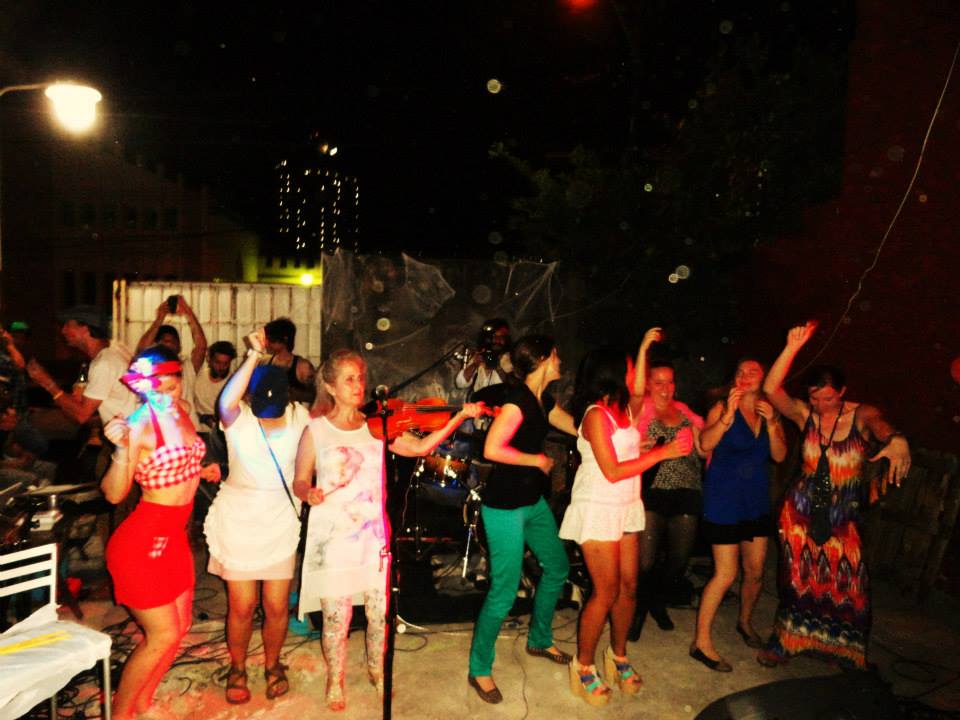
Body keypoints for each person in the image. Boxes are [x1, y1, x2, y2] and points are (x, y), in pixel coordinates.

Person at [294, 349, 484, 711]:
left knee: (379, 614)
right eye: (349, 379)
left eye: (360, 378)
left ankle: (377, 669)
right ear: (330, 387)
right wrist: (308, 493)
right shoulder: (315, 430)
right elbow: (300, 480)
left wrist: (459, 416)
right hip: (332, 540)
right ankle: (335, 679)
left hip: (372, 537)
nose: (358, 385)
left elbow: (422, 446)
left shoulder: (376, 426)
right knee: (336, 618)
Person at [757, 321, 911, 669]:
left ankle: (845, 650)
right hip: (800, 511)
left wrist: (896, 438)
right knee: (797, 580)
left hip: (842, 515)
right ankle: (787, 642)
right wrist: (792, 348)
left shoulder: (861, 414)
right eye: (815, 398)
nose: (821, 404)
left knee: (849, 581)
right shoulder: (805, 415)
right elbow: (771, 388)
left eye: (828, 398)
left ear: (842, 392)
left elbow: (881, 425)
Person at [560, 347, 693, 705]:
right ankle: (583, 665)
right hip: (598, 508)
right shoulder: (595, 415)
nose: (638, 377)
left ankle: (618, 656)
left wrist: (644, 449)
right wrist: (662, 453)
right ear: (613, 374)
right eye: (632, 369)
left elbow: (624, 452)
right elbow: (612, 470)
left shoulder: (624, 411)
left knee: (629, 588)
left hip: (626, 505)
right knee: (605, 592)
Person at [99, 346, 219, 720]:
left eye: (173, 384)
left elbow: (176, 463)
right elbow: (113, 494)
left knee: (181, 627)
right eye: (158, 388)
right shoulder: (138, 425)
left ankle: (144, 702)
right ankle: (119, 715)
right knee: (163, 634)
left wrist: (200, 470)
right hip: (141, 542)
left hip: (174, 537)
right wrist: (122, 450)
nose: (167, 394)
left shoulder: (181, 410)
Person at [467, 334, 577, 705]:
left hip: (532, 502)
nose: (560, 362)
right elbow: (492, 448)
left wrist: (616, 435)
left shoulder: (542, 400)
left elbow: (578, 426)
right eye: (556, 356)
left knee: (557, 567)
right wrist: (537, 460)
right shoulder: (517, 402)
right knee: (503, 591)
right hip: (504, 508)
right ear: (544, 359)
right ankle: (479, 668)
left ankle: (540, 639)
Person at [203, 329, 310, 704]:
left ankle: (272, 664)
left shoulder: (298, 417)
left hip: (278, 520)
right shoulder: (238, 418)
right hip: (239, 521)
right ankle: (237, 667)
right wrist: (253, 355)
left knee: (277, 605)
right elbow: (225, 400)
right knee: (242, 605)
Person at [690, 359, 787, 672]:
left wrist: (773, 423)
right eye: (740, 372)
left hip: (755, 501)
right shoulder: (722, 407)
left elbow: (779, 455)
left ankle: (744, 622)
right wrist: (726, 418)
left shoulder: (768, 410)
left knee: (755, 571)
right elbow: (704, 444)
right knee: (726, 574)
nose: (745, 376)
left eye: (752, 372)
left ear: (764, 378)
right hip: (724, 500)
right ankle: (700, 642)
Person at [629, 328, 705, 639]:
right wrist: (644, 347)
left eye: (670, 382)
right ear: (648, 384)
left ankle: (655, 600)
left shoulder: (685, 412)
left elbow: (704, 448)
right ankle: (639, 610)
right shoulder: (641, 410)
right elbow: (626, 443)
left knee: (678, 561)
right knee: (645, 562)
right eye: (658, 382)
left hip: (687, 492)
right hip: (652, 491)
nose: (665, 388)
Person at [137, 296, 208, 428]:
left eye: (172, 342)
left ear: (179, 346)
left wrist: (188, 312)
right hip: (160, 429)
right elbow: (141, 350)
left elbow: (201, 346)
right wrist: (159, 318)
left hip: (189, 429)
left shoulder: (186, 366)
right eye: (164, 342)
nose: (168, 345)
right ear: (156, 344)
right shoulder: (151, 368)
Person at [265, 317, 317, 407]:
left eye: (272, 339)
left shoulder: (303, 366)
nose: (268, 343)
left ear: (285, 339)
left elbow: (317, 395)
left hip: (294, 413)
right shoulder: (264, 362)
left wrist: (294, 394)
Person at [455, 318, 512, 394]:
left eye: (502, 337)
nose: (498, 340)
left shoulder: (512, 358)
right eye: (495, 336)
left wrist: (497, 367)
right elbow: (460, 383)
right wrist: (474, 364)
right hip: (479, 400)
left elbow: (514, 387)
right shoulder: (480, 354)